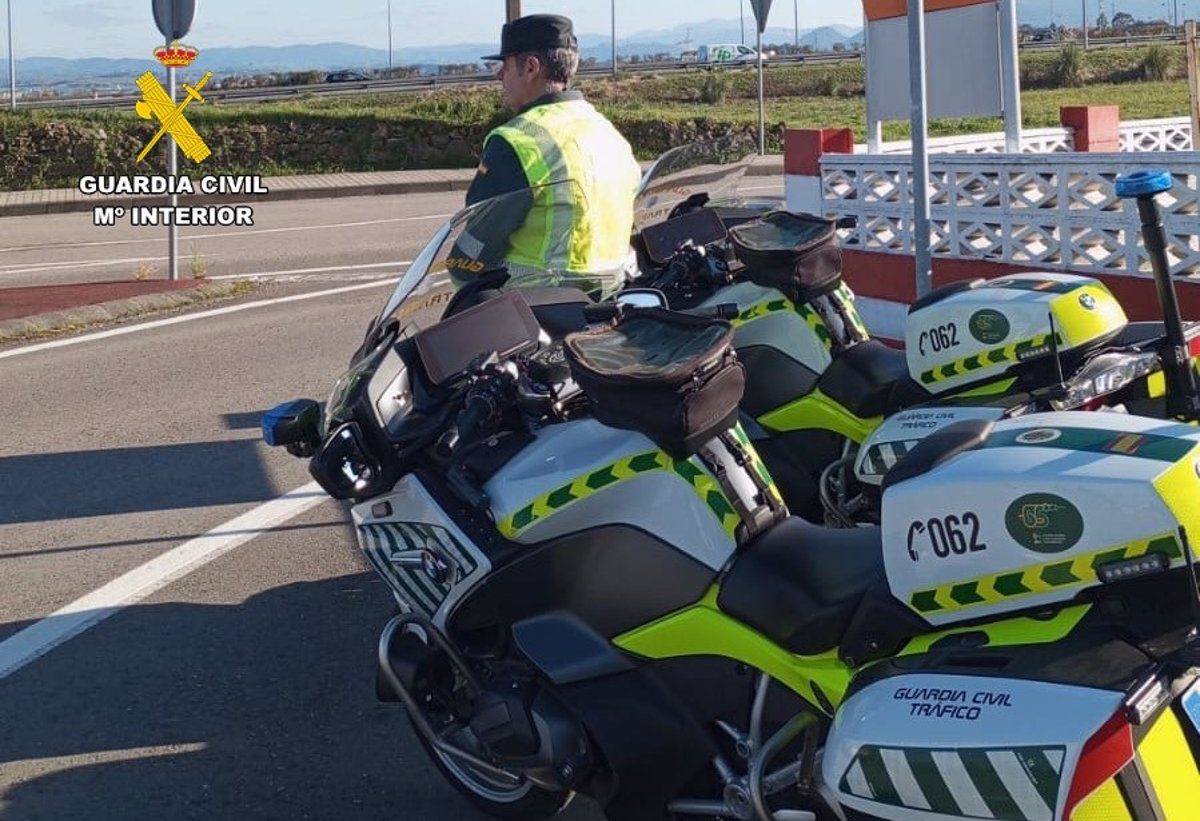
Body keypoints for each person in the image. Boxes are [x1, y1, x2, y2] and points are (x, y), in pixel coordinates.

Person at [449, 14, 643, 299]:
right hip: (608, 300)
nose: (499, 75)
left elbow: (475, 248)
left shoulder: (519, 139)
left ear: (530, 67)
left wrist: (460, 273)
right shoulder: (607, 131)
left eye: (504, 65)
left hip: (533, 311)